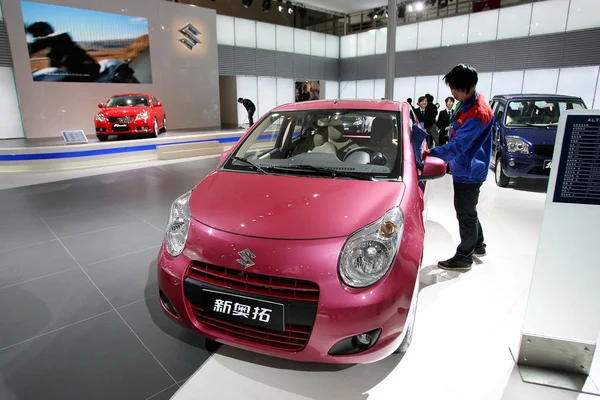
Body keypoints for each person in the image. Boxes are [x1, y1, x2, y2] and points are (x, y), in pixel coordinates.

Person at [423, 64, 494, 272]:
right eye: (451, 87)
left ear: (471, 86)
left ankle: (464, 256)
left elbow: (458, 146)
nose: (453, 92)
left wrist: (430, 153)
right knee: (468, 209)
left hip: (469, 168)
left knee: (465, 212)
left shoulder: (477, 112)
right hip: (466, 165)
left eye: (457, 88)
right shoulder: (466, 102)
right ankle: (478, 244)